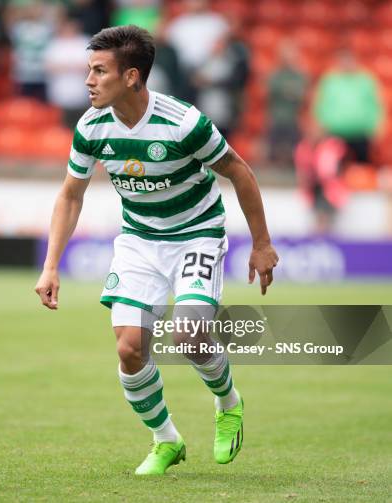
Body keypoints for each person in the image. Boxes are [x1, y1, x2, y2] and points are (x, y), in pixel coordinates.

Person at [35, 25, 278, 476]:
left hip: (197, 233)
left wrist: (261, 244)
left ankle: (228, 403)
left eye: (98, 70)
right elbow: (71, 195)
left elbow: (239, 172)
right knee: (129, 349)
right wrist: (51, 266)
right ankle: (166, 439)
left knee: (188, 334)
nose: (87, 79)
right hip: (140, 240)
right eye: (88, 69)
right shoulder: (91, 126)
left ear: (131, 76)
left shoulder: (184, 123)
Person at [313, 48, 383, 163]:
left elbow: (375, 105)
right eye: (343, 60)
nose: (347, 63)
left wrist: (375, 126)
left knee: (361, 169)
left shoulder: (366, 80)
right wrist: (321, 123)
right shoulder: (330, 80)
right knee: (332, 168)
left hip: (360, 134)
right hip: (334, 132)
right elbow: (321, 105)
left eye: (349, 60)